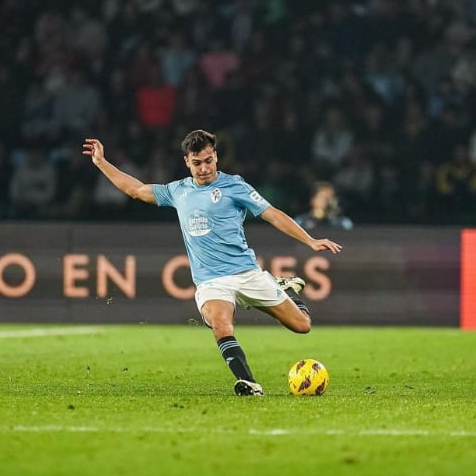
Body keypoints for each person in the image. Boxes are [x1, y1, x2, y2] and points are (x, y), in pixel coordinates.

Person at [83, 130, 342, 396]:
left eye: (208, 160)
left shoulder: (235, 186)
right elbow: (136, 190)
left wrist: (309, 240)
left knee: (302, 326)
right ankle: (249, 383)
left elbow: (272, 215)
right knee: (220, 325)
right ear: (187, 161)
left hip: (247, 273)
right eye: (197, 163)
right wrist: (102, 163)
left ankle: (287, 289)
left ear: (216, 157)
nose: (204, 168)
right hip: (211, 281)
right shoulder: (177, 191)